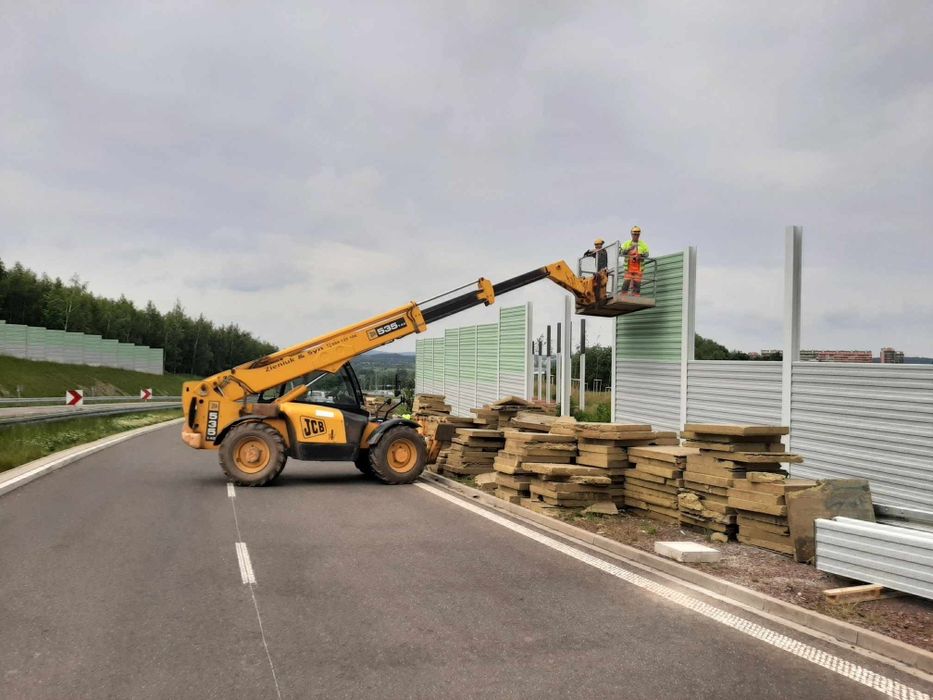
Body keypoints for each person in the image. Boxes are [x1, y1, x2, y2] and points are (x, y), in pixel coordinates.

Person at [620, 226, 649, 295]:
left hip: (638, 267)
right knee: (626, 281)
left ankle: (636, 295)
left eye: (637, 234)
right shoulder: (627, 243)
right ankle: (624, 294)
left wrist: (641, 255)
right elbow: (621, 252)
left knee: (637, 282)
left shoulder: (643, 244)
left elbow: (647, 254)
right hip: (629, 266)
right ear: (631, 234)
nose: (636, 236)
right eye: (634, 234)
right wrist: (629, 248)